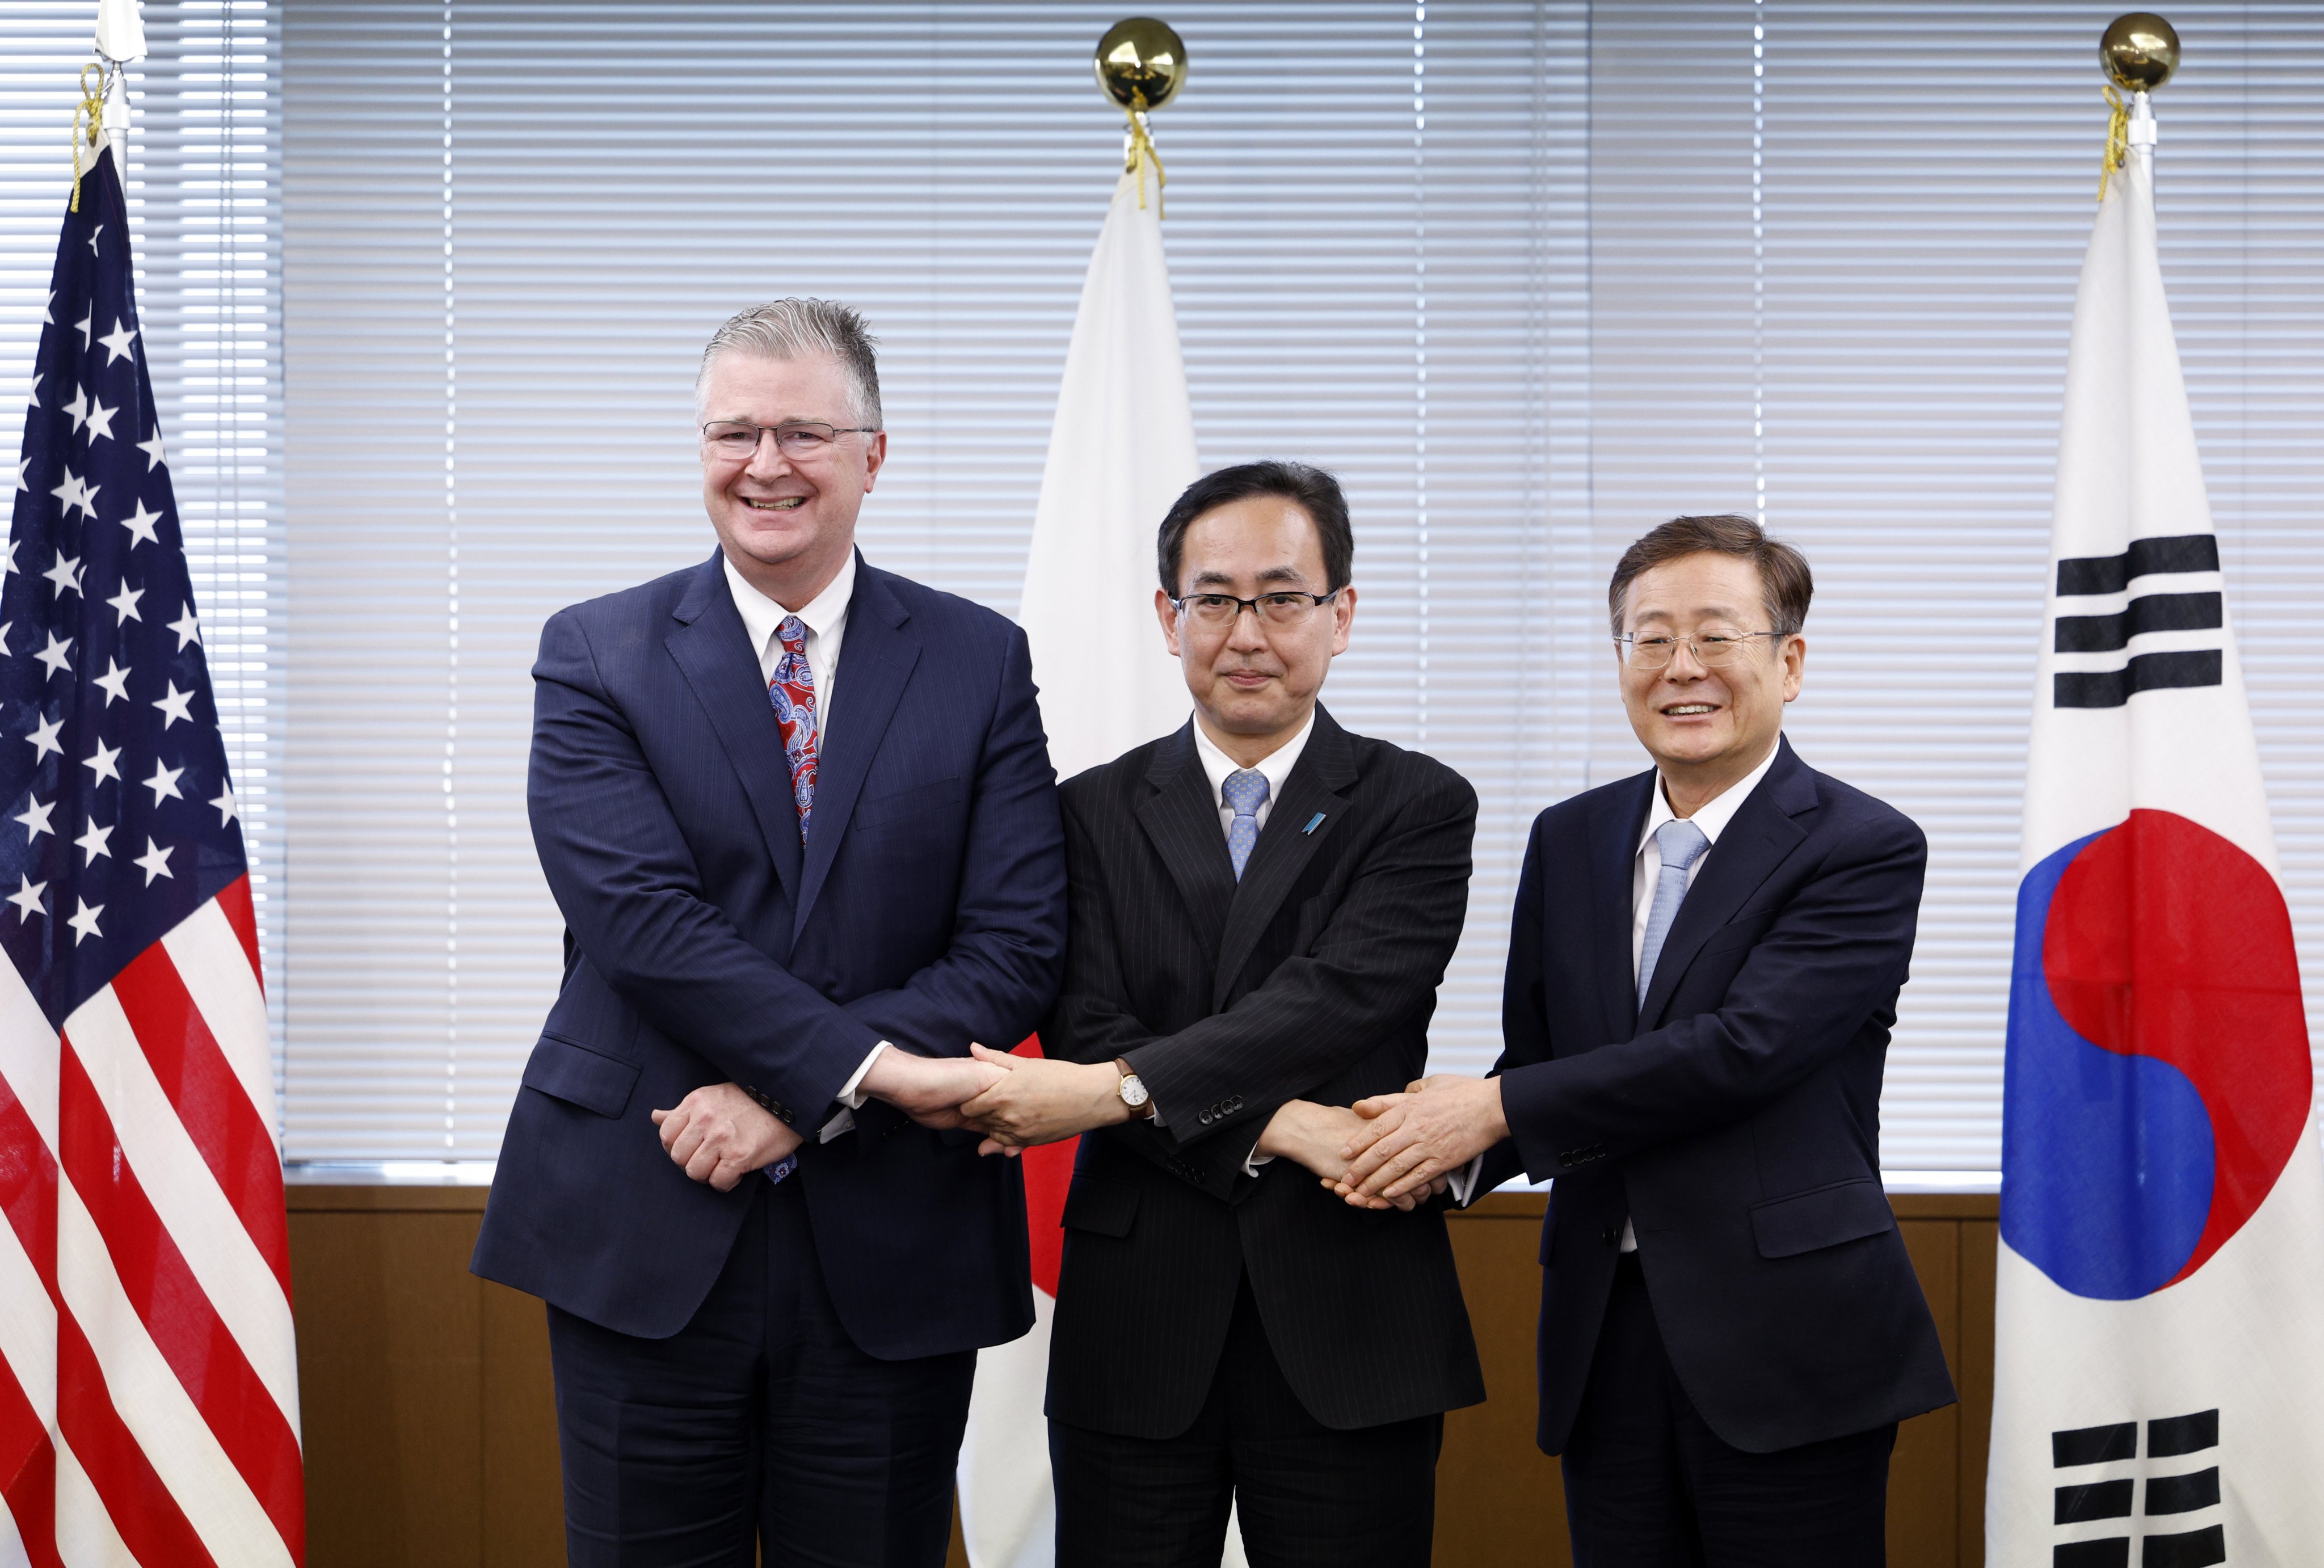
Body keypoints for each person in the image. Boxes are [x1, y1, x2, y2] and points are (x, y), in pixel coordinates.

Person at [470, 299, 1068, 1567]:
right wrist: (857, 1066)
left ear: (872, 452)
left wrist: (806, 1099)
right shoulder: (594, 652)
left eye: (803, 429)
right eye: (733, 431)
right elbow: (640, 920)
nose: (766, 464)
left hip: (892, 1230)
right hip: (645, 1210)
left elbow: (1015, 940)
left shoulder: (978, 657)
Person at [1336, 514, 1956, 1566]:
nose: (1682, 668)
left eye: (1718, 637)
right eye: (1649, 638)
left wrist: (1489, 1112)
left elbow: (1744, 1049)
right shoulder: (1568, 838)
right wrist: (1430, 1152)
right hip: (1605, 1331)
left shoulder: (1863, 846)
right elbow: (1540, 1064)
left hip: (1790, 1338)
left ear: (1790, 661)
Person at [957, 461, 1485, 1568]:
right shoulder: (1086, 810)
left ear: (1340, 614)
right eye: (1214, 597)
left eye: (1282, 595)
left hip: (1351, 1308)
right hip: (1137, 1312)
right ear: (1168, 615)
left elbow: (1336, 1002)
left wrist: (1122, 1090)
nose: (1247, 629)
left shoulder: (1416, 804)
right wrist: (1282, 1125)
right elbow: (1084, 1015)